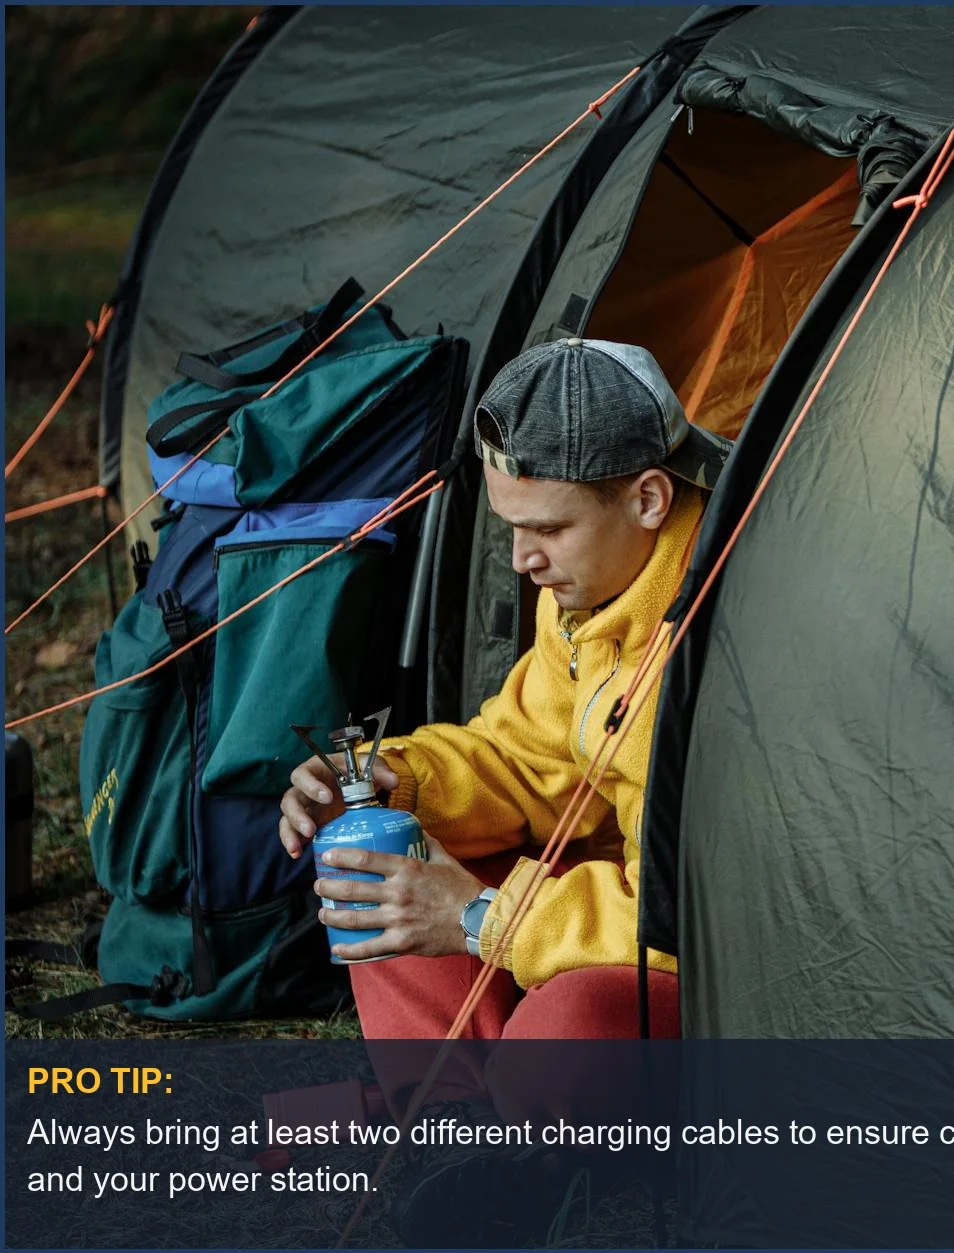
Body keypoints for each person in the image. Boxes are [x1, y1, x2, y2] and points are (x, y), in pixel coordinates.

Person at [277, 336, 729, 1055]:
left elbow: (703, 925)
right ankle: (456, 1128)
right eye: (513, 526)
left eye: (548, 527)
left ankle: (517, 1113)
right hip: (604, 900)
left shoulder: (725, 644)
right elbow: (524, 761)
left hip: (718, 969)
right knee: (383, 877)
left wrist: (483, 914)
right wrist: (391, 784)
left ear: (649, 498)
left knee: (567, 1033)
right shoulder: (599, 588)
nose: (522, 560)